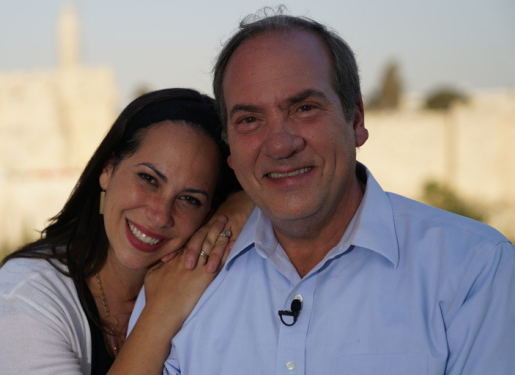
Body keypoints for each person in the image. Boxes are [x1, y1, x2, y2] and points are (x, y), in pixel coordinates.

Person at [129, 8, 515, 374]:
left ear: (357, 119)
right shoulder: (179, 285)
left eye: (305, 109)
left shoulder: (473, 270)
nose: (280, 145)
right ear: (229, 147)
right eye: (249, 119)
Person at [0, 88, 252, 375]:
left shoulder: (213, 282)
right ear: (108, 169)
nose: (159, 214)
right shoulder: (23, 299)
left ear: (209, 212)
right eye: (148, 179)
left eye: (190, 199)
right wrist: (163, 310)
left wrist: (247, 201)